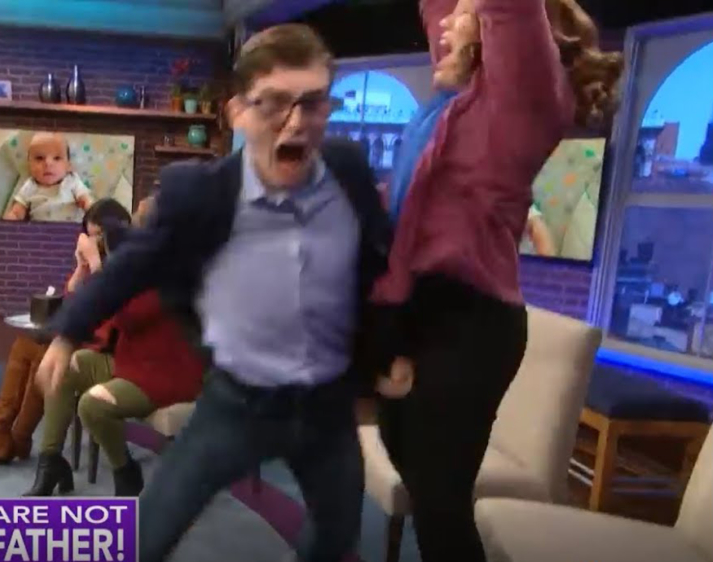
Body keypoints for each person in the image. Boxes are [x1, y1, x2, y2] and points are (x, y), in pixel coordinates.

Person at [34, 24, 392, 562]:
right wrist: (67, 334)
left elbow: (382, 259)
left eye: (313, 102)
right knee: (148, 536)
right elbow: (132, 263)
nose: (297, 122)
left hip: (326, 407)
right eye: (275, 103)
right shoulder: (200, 193)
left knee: (336, 537)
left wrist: (391, 349)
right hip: (237, 403)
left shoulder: (348, 171)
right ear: (238, 113)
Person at [368, 1, 623, 561]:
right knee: (414, 470)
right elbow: (439, 10)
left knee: (440, 507)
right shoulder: (456, 101)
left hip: (469, 321)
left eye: (464, 12)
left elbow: (511, 11)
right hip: (418, 311)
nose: (446, 24)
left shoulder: (524, 100)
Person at [24, 191, 204, 498]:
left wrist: (101, 267)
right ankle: (50, 461)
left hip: (164, 370)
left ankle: (125, 472)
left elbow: (128, 316)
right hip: (130, 360)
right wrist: (86, 271)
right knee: (63, 368)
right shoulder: (137, 261)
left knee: (91, 405)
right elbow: (83, 311)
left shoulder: (172, 265)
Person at [0, 198, 131, 463]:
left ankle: (19, 438)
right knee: (25, 344)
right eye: (89, 235)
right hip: (88, 336)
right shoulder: (99, 263)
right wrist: (81, 269)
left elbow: (107, 310)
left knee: (44, 355)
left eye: (98, 235)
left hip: (111, 345)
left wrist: (96, 266)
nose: (92, 242)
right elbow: (73, 306)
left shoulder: (128, 262)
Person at [4, 132, 95, 222]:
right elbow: (18, 211)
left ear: (68, 165)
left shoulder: (72, 180)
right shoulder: (30, 186)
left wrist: (91, 210)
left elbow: (86, 201)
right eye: (39, 158)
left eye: (57, 158)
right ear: (29, 165)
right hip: (40, 230)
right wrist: (12, 217)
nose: (48, 163)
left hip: (72, 228)